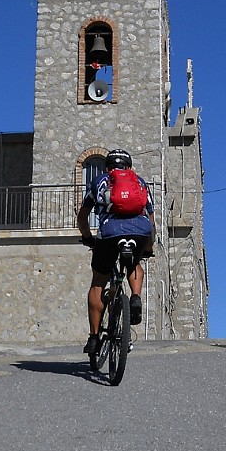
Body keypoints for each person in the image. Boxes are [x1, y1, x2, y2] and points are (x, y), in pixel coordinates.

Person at [77, 149, 154, 355]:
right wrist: (148, 247)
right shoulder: (140, 182)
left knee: (98, 282)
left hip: (110, 233)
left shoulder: (100, 181)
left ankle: (94, 337)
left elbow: (82, 217)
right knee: (134, 265)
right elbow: (151, 220)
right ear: (129, 167)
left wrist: (87, 237)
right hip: (140, 231)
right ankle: (135, 296)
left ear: (107, 167)